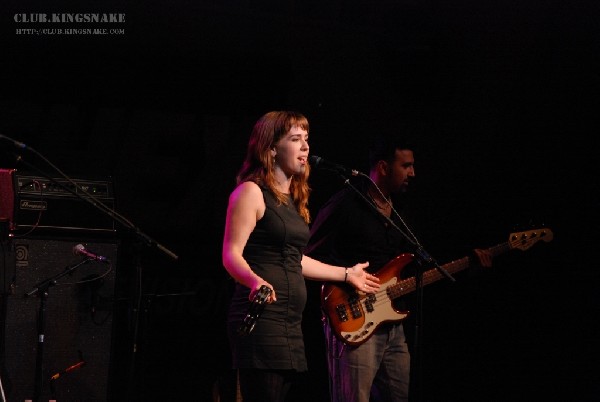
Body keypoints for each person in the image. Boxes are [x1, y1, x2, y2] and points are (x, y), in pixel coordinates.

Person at [304, 134, 492, 402]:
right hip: (352, 320)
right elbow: (308, 256)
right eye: (406, 166)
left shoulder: (401, 211)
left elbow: (415, 264)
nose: (412, 173)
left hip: (392, 325)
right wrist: (346, 283)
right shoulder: (345, 203)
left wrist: (468, 265)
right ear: (382, 167)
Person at [221, 110, 381, 402]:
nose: (306, 147)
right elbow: (231, 254)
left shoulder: (291, 201)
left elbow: (297, 260)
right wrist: (255, 281)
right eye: (296, 139)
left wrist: (346, 274)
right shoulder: (251, 193)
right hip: (261, 320)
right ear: (270, 148)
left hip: (290, 324)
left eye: (307, 139)